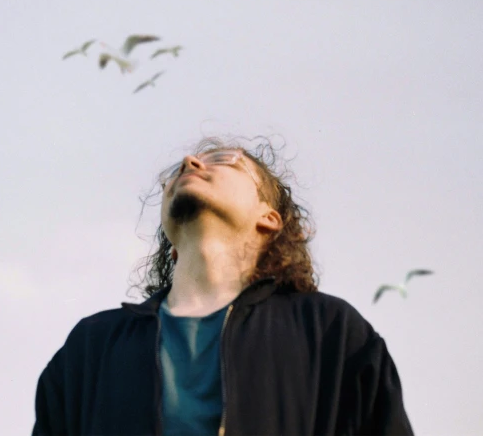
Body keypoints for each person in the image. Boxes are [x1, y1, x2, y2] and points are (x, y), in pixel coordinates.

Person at [32, 136, 414, 436]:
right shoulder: (90, 347)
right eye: (179, 170)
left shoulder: (331, 331)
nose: (190, 164)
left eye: (223, 161)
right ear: (171, 248)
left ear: (269, 218)